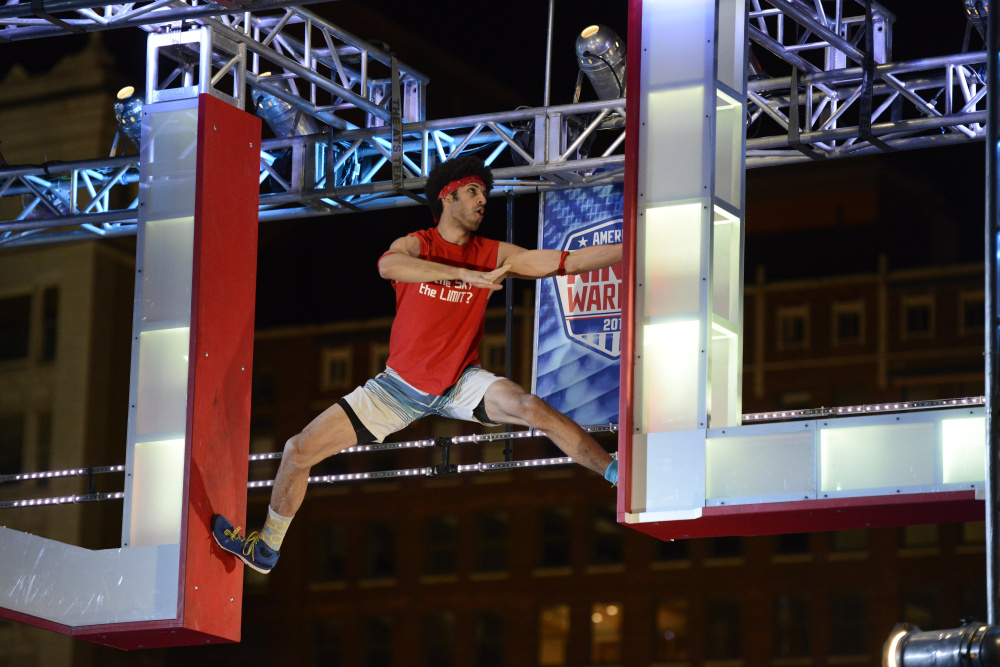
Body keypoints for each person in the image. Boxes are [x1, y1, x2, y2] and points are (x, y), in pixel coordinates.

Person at [212, 156, 623, 573]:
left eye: (485, 193)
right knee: (296, 451)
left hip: (461, 381)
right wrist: (463, 277)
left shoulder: (494, 254)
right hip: (396, 390)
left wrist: (633, 243)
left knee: (531, 406)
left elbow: (566, 262)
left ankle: (614, 471)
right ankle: (265, 549)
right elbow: (387, 265)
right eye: (474, 192)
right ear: (448, 197)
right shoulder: (418, 244)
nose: (484, 200)